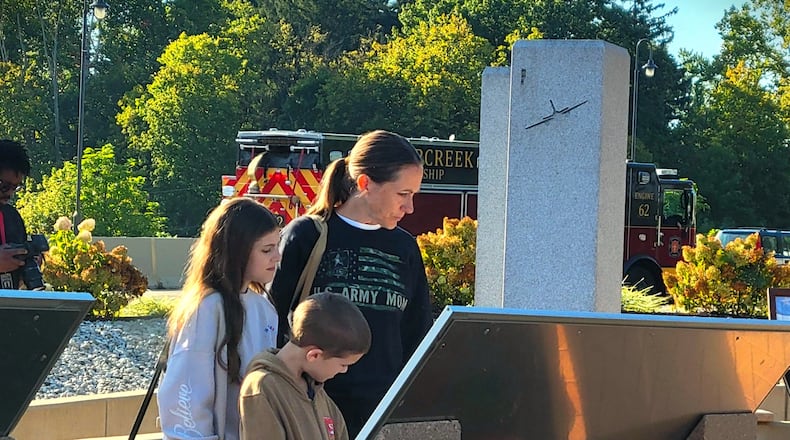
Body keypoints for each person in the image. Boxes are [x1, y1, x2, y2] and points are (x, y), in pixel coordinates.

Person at [270, 129, 434, 437]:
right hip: (310, 412)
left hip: (382, 418)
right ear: (365, 184)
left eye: (414, 195)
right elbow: (271, 321)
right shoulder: (307, 236)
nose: (410, 208)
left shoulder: (405, 249)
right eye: (403, 194)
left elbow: (417, 335)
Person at [158, 198, 281, 440]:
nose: (277, 257)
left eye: (277, 246)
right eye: (267, 250)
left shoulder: (265, 309)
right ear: (237, 251)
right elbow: (187, 394)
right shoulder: (207, 308)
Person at [239, 292, 371, 440]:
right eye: (343, 364)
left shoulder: (318, 394)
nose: (344, 370)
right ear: (314, 355)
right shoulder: (262, 388)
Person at [0, 140, 33, 286]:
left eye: (15, 187)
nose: (10, 193)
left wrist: (28, 262)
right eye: (4, 186)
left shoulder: (12, 217)